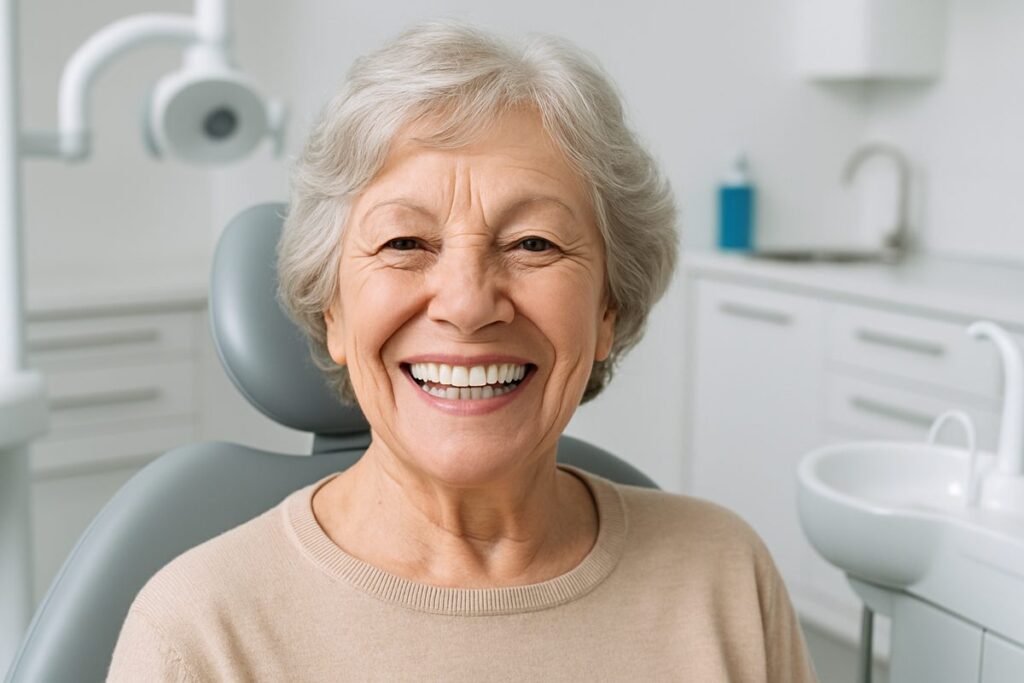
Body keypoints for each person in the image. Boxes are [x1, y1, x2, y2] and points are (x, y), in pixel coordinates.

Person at [108, 19, 817, 681]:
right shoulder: (200, 633)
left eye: (533, 243)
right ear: (334, 311)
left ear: (608, 308)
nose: (468, 303)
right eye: (405, 243)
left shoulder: (726, 579)